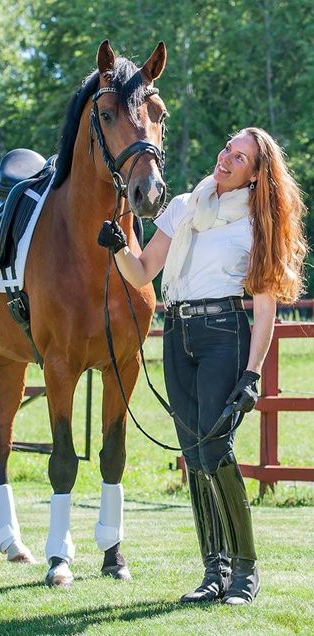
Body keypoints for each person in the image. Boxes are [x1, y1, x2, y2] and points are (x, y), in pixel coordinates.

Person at [98, 127, 308, 605]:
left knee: (215, 449)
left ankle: (245, 572)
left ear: (257, 174)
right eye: (228, 149)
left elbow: (264, 307)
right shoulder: (185, 207)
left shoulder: (258, 224)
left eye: (241, 157)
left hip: (224, 334)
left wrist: (252, 374)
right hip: (177, 333)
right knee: (193, 456)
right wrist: (118, 247)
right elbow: (142, 271)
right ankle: (213, 572)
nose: (227, 158)